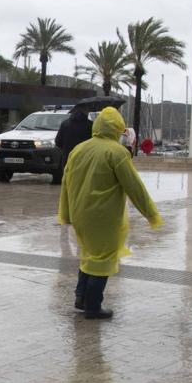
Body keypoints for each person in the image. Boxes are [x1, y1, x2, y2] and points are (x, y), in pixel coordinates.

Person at [58, 107, 163, 319]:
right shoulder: (116, 153)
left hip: (80, 215)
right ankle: (93, 306)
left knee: (88, 254)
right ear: (117, 128)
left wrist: (66, 213)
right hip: (104, 217)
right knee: (102, 259)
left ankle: (81, 298)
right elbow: (135, 187)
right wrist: (152, 214)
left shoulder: (78, 150)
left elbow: (66, 184)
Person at [54, 108, 93, 173]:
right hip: (85, 158)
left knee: (68, 179)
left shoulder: (65, 124)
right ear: (85, 112)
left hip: (68, 157)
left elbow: (58, 142)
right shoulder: (90, 125)